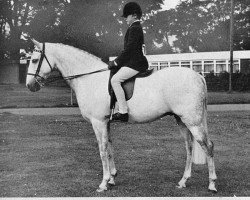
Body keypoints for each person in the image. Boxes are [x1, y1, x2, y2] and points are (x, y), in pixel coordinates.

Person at [108, 2, 149, 122]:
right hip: (134, 61)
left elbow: (129, 49)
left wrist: (116, 62)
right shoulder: (135, 27)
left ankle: (123, 111)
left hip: (135, 63)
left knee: (115, 80)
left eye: (127, 16)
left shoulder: (135, 28)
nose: (125, 18)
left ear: (134, 16)